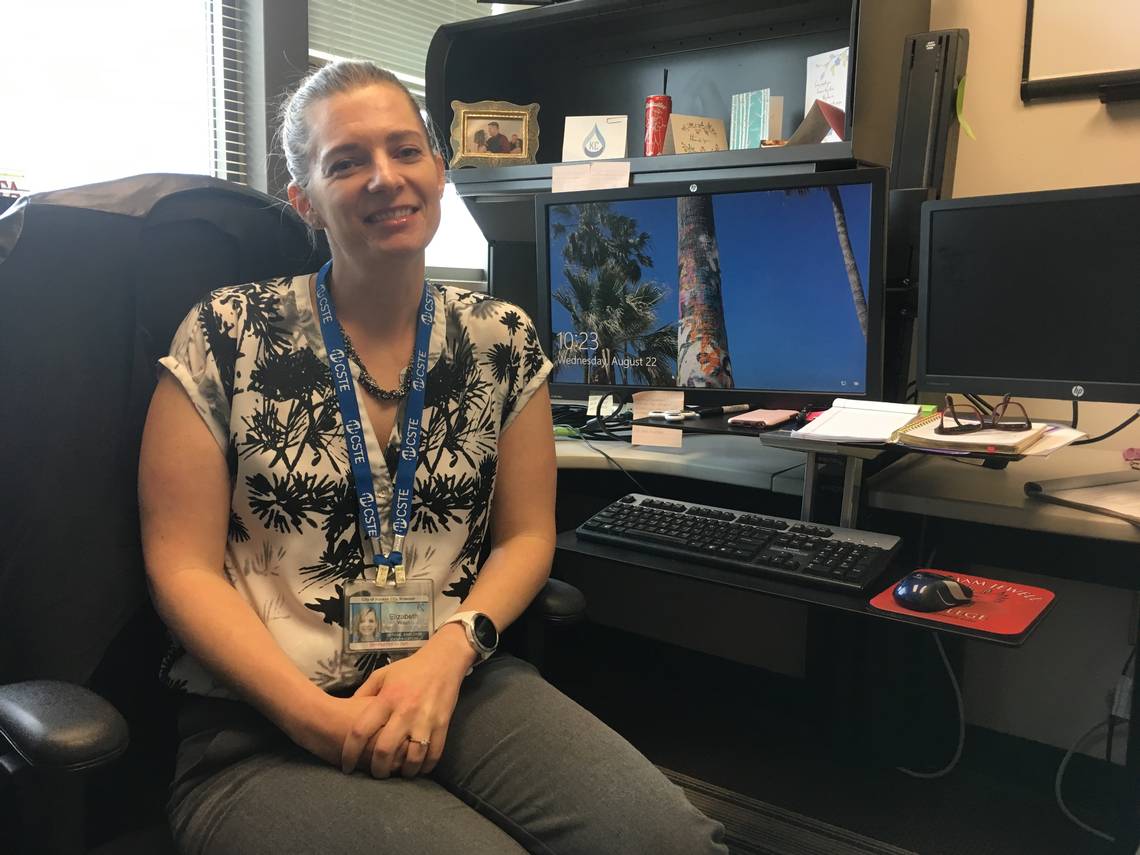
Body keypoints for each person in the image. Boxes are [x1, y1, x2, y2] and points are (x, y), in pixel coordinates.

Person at [139, 59, 727, 854]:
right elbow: (181, 568)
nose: (386, 177)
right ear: (304, 200)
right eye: (347, 162)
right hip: (260, 722)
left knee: (670, 840)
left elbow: (527, 535)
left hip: (454, 681)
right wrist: (321, 720)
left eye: (405, 150)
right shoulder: (224, 332)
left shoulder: (502, 338)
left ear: (440, 171)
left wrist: (449, 653)